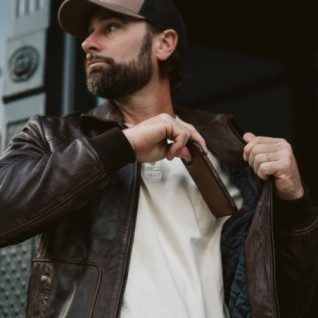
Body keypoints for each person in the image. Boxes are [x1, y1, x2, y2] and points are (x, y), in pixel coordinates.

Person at [0, 0, 317, 317]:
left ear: (164, 44)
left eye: (111, 27)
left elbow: (287, 300)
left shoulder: (230, 151)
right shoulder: (52, 135)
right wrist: (120, 147)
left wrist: (295, 205)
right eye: (88, 32)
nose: (87, 43)